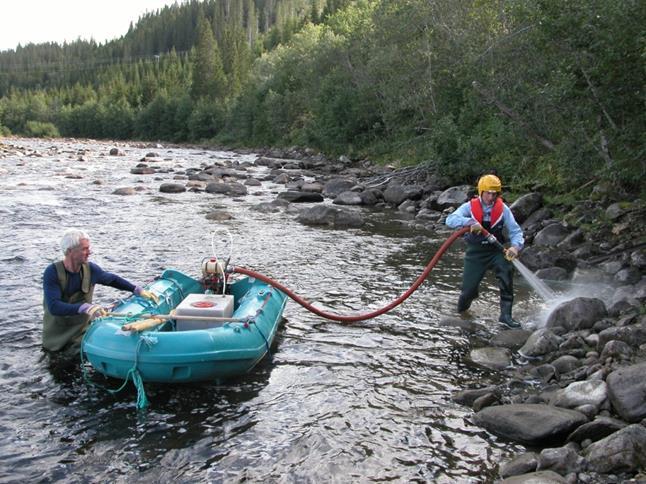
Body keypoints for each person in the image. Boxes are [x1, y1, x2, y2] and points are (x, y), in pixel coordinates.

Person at [42, 228, 158, 356]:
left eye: (88, 248)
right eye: (84, 249)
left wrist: (136, 289)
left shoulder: (91, 269)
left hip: (81, 332)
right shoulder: (52, 272)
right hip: (56, 338)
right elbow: (54, 306)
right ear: (70, 251)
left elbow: (112, 280)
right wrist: (84, 307)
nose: (89, 252)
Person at [445, 174, 524, 328]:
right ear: (481, 192)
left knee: (506, 274)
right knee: (468, 290)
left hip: (497, 251)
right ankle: (462, 311)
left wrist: (515, 246)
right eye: (488, 193)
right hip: (475, 253)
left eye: (494, 194)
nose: (491, 197)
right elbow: (450, 220)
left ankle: (506, 316)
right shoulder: (469, 207)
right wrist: (469, 221)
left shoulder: (503, 210)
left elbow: (516, 231)